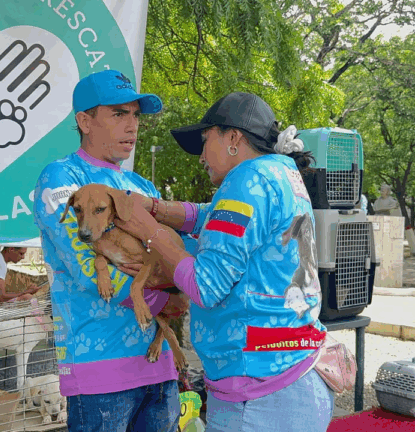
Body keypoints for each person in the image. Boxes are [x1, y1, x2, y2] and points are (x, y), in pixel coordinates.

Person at [114, 92, 335, 431]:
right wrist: (157, 209)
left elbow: (205, 286)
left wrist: (150, 232)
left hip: (260, 394)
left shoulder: (247, 180)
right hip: (292, 373)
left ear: (233, 138)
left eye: (205, 142)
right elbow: (216, 218)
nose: (201, 157)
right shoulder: (278, 174)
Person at [33, 69, 207, 432]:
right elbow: (85, 265)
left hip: (160, 369)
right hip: (100, 372)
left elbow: (171, 250)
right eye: (118, 114)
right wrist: (167, 301)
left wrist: (183, 285)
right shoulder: (61, 177)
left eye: (136, 115)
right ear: (84, 121)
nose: (132, 125)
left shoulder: (141, 186)